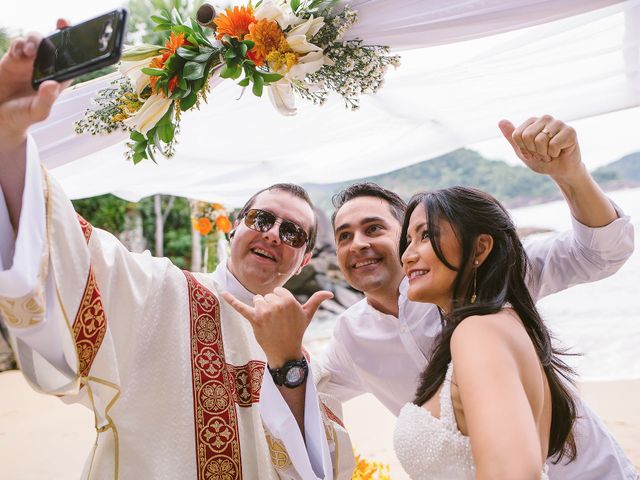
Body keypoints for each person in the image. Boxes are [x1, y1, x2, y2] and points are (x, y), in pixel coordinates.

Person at [0, 27, 355, 479]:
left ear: (304, 259)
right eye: (262, 220)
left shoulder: (304, 355)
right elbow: (71, 254)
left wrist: (289, 364)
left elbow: (327, 469)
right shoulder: (163, 295)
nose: (273, 235)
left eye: (293, 232)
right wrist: (10, 142)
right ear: (235, 228)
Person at [317, 117, 637, 478]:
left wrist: (571, 174)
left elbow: (601, 252)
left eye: (374, 228)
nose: (357, 244)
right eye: (343, 236)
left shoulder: (487, 286)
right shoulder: (350, 336)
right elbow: (306, 393)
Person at [394, 185, 577, 479]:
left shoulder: (479, 332)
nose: (407, 255)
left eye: (426, 235)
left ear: (480, 248)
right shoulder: (500, 324)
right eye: (408, 240)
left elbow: (512, 473)